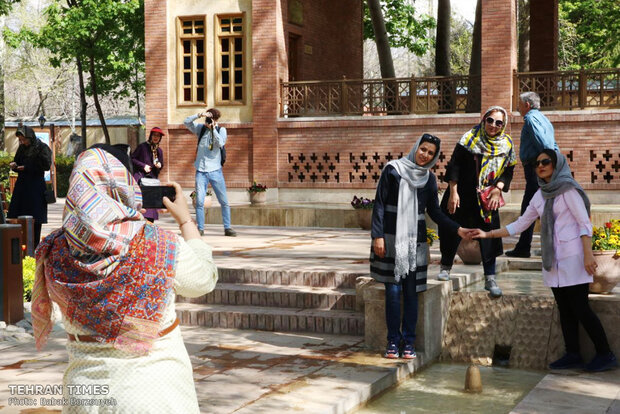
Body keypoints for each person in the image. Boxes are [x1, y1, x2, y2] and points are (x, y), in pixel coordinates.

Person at [32, 146, 219, 412]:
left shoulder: (54, 250)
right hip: (154, 391)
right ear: (125, 186)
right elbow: (203, 280)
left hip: (85, 394)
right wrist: (186, 221)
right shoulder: (157, 245)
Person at [473, 150, 617, 372]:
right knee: (565, 309)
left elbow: (584, 223)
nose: (540, 166)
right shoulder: (540, 195)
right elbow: (521, 224)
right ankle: (573, 354)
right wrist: (487, 234)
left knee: (580, 308)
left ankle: (605, 354)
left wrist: (588, 254)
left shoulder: (568, 190)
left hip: (573, 258)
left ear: (556, 164)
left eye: (545, 162)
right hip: (553, 261)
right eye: (537, 163)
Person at [370, 134, 475, 359]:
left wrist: (458, 229)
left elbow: (435, 212)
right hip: (390, 238)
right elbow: (379, 204)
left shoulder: (428, 179)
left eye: (430, 153)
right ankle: (392, 341)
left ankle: (408, 342)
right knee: (393, 292)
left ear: (434, 157)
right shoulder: (393, 170)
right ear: (416, 147)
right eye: (423, 149)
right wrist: (377, 236)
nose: (425, 155)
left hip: (415, 242)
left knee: (411, 293)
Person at [437, 106, 517, 298]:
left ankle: (490, 278)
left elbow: (509, 170)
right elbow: (454, 165)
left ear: (503, 125)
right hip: (462, 194)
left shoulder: (506, 144)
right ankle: (446, 267)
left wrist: (498, 188)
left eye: (499, 122)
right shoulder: (469, 139)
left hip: (488, 198)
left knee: (488, 236)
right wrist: (453, 192)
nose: (493, 125)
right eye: (490, 120)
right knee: (451, 229)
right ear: (484, 120)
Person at [506, 91, 559, 258]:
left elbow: (545, 144)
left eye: (519, 104)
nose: (518, 107)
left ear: (527, 105)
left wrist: (544, 166)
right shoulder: (544, 119)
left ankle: (524, 247)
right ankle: (527, 246)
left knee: (530, 207)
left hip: (537, 169)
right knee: (541, 207)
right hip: (544, 169)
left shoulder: (531, 118)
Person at [184, 108, 236, 237]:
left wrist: (213, 129)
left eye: (211, 118)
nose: (208, 120)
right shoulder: (201, 129)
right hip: (201, 170)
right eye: (207, 118)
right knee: (200, 202)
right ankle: (200, 228)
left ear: (216, 119)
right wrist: (198, 115)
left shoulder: (221, 130)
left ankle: (227, 227)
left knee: (224, 201)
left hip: (215, 171)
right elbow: (186, 122)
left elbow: (221, 143)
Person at [8, 125, 52, 250]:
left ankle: (35, 247)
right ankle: (21, 246)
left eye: (24, 139)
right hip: (22, 186)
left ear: (30, 137)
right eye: (20, 140)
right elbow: (18, 161)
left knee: (35, 217)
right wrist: (15, 165)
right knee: (19, 214)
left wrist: (27, 168)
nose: (22, 142)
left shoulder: (42, 148)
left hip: (35, 187)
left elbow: (46, 165)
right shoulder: (22, 148)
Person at [131, 126, 166, 222]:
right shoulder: (142, 147)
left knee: (150, 209)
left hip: (152, 181)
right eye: (154, 135)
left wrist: (159, 165)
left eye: (158, 136)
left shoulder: (159, 151)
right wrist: (143, 166)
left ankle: (149, 230)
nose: (156, 137)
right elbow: (132, 159)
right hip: (141, 179)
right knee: (142, 208)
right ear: (151, 136)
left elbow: (161, 165)